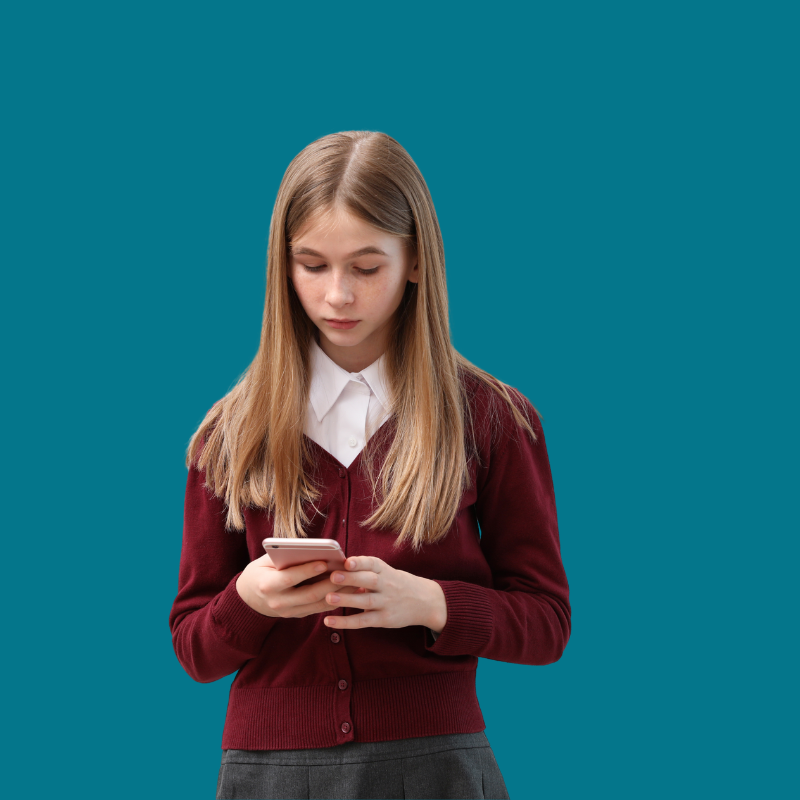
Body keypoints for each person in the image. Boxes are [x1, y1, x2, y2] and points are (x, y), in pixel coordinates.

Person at [168, 130, 571, 800]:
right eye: (312, 265)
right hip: (268, 776)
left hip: (436, 767)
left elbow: (547, 624)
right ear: (282, 265)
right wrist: (248, 600)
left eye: (365, 267)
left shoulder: (494, 418)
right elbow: (193, 646)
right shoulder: (226, 434)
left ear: (414, 261)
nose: (336, 297)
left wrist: (434, 603)